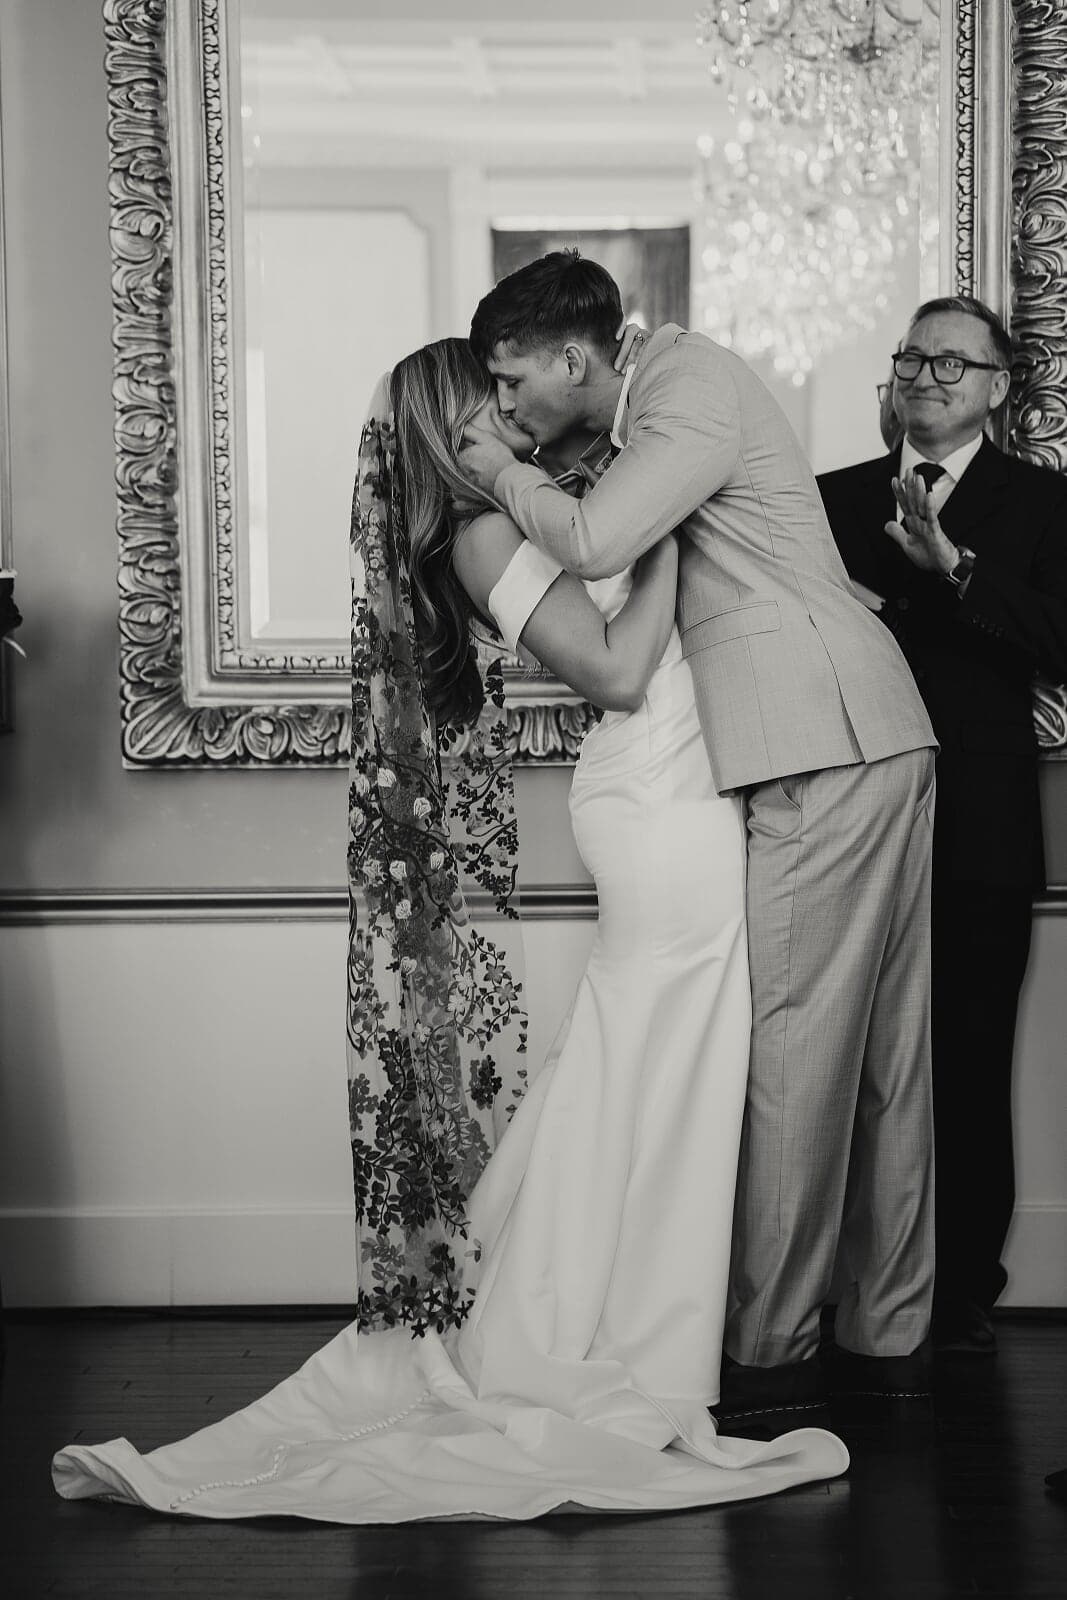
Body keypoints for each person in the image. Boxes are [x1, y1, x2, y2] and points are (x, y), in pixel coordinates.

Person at [51, 341, 846, 1521]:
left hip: (674, 798)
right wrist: (678, 525)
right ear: (449, 420)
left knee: (642, 1071)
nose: (512, 415)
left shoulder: (522, 512)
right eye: (490, 400)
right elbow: (621, 673)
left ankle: (616, 1317)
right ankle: (612, 1343)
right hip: (654, 809)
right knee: (660, 1067)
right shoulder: (479, 535)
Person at [459, 250, 939, 1422]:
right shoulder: (650, 404)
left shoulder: (683, 386)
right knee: (880, 1055)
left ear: (576, 357)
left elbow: (596, 543)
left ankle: (772, 1351)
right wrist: (535, 458)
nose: (507, 406)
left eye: (513, 379)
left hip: (813, 738)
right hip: (861, 725)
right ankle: (885, 1332)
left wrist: (487, 470)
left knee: (791, 1050)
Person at [818, 295, 1067, 1355]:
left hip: (981, 820)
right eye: (910, 356)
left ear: (995, 388)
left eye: (950, 363)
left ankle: (959, 1283)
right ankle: (834, 1278)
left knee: (966, 1060)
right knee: (840, 1061)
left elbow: (1058, 637)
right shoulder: (824, 499)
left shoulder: (1044, 504)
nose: (924, 375)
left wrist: (953, 572)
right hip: (840, 817)